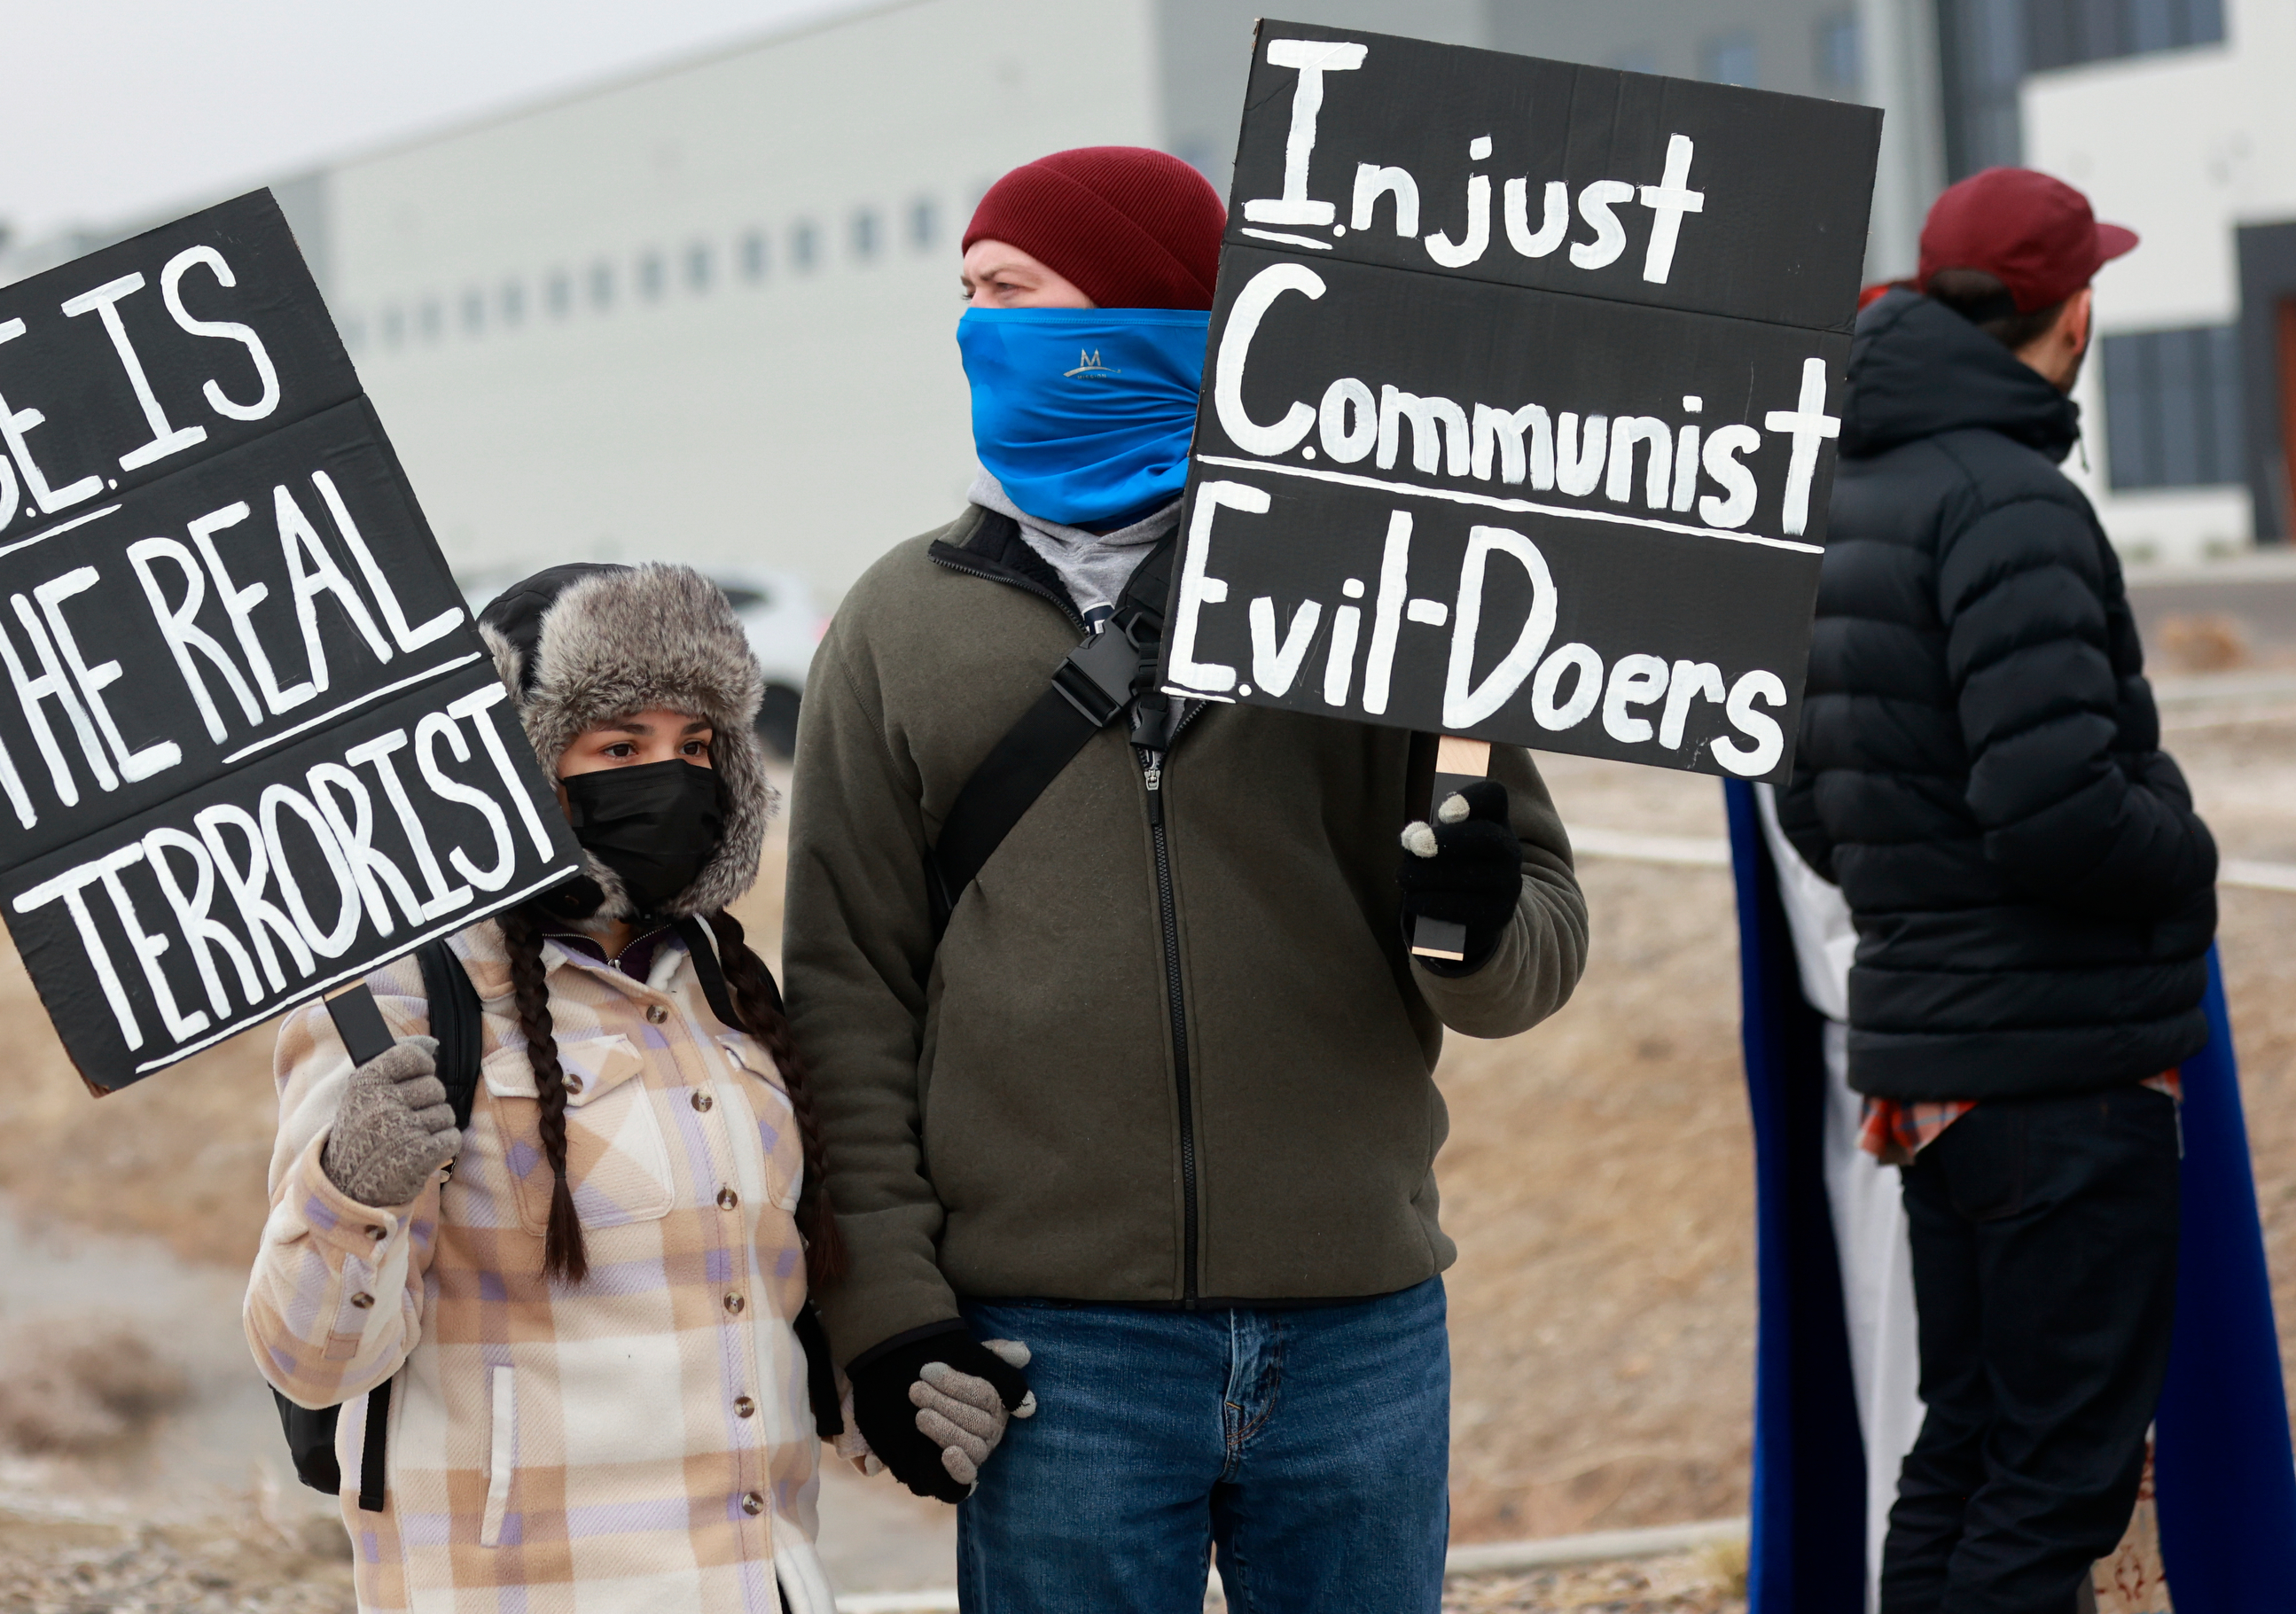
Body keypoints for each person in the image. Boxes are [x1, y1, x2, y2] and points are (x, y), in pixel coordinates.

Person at [784, 145, 1589, 1614]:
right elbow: (847, 998)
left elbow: (1534, 936)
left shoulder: (1379, 584)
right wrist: (891, 1309)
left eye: (1009, 292)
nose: (974, 328)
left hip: (1359, 1329)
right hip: (1052, 1351)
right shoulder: (897, 624)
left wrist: (1470, 923)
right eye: (965, 296)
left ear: (1144, 317)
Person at [1778, 167, 2218, 1613]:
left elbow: (1811, 799)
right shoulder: (2011, 497)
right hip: (2059, 1068)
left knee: (1964, 1449)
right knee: (2053, 1480)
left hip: (1937, 1062)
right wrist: (2184, 844)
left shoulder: (1853, 489)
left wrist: (1925, 897)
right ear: (2073, 313)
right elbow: (2056, 809)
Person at [245, 562, 844, 1614]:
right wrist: (355, 1185)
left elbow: (759, 1306)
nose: (673, 778)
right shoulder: (405, 993)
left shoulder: (722, 984)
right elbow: (307, 1357)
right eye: (620, 747)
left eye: (697, 747)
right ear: (522, 763)